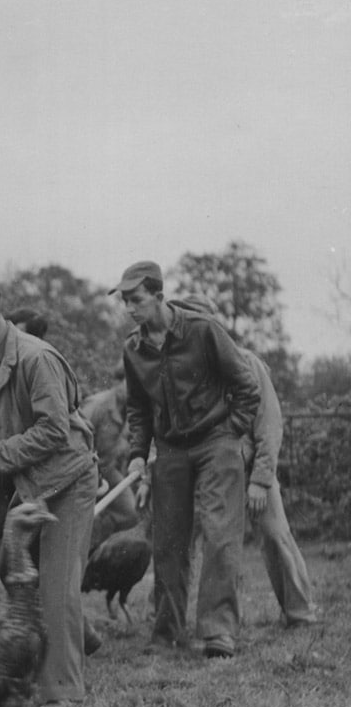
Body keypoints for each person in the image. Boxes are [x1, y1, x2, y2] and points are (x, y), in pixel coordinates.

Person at [0, 273, 99, 705]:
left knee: (57, 588)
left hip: (68, 480)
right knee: (22, 585)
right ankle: (56, 662)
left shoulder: (36, 358)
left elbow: (53, 429)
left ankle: (63, 693)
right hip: (33, 484)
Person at [114, 261, 261, 658]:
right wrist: (137, 456)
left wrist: (232, 432)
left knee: (219, 534)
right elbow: (139, 410)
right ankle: (167, 633)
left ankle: (218, 632)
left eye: (136, 300)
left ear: (160, 297)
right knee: (168, 543)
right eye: (125, 301)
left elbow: (246, 386)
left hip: (217, 441)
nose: (130, 308)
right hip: (171, 449)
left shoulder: (204, 331)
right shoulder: (133, 349)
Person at [176, 294, 318, 629]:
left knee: (274, 534)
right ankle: (188, 622)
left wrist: (261, 480)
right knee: (197, 544)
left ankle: (300, 612)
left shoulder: (246, 363)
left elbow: (269, 425)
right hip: (208, 475)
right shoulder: (182, 370)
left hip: (251, 468)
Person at [81, 363, 139, 550]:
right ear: (118, 382)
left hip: (107, 472)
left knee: (129, 512)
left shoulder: (132, 412)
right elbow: (75, 440)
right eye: (129, 383)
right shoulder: (97, 405)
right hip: (83, 472)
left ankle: (96, 545)